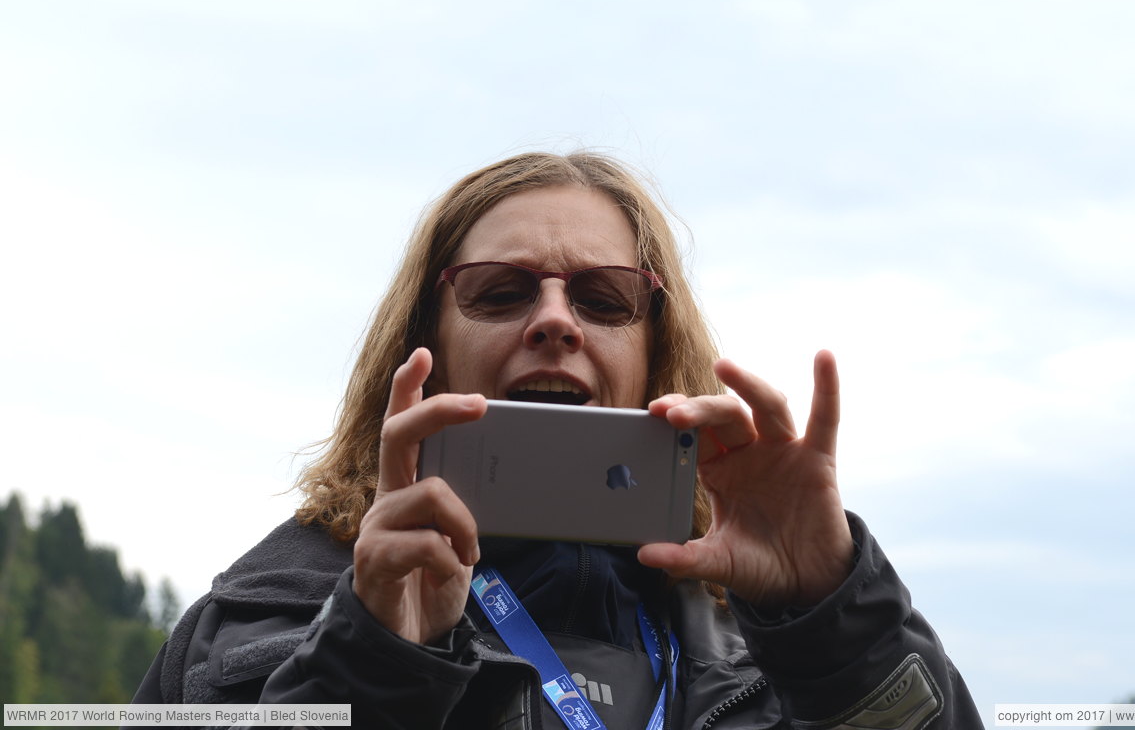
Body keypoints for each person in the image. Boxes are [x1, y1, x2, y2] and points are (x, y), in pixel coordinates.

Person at [132, 151, 983, 728]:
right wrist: (378, 661)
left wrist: (831, 615)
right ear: (421, 347)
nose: (552, 321)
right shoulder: (259, 621)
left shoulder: (765, 636)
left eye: (604, 299)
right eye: (499, 291)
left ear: (658, 353)